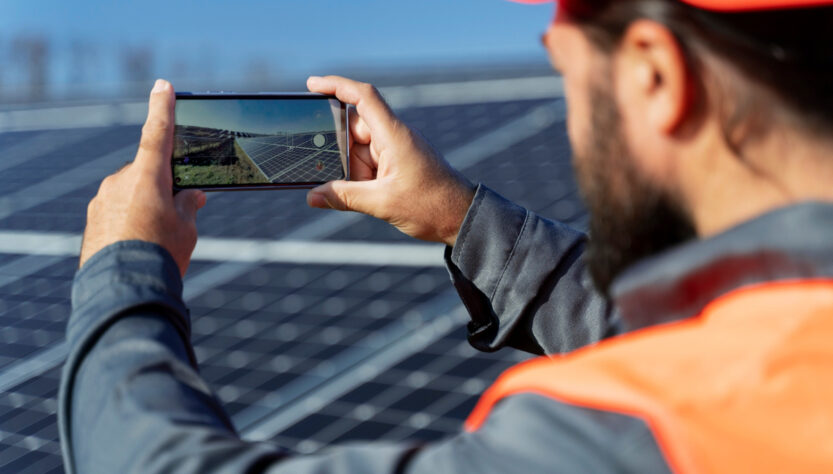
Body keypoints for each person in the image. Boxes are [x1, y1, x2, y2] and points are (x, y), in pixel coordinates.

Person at [59, 0, 833, 472]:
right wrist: (461, 218)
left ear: (652, 76)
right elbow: (711, 346)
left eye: (562, 68)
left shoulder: (638, 435)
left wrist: (124, 267)